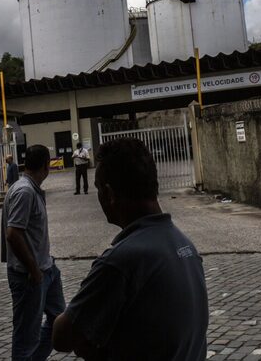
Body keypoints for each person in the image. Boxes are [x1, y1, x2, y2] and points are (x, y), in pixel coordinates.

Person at [52, 138, 209, 361]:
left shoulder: (120, 262)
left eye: (98, 189)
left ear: (109, 194)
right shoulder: (184, 245)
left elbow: (62, 337)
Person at [1, 144, 65, 361]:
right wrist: (34, 270)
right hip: (29, 275)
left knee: (58, 320)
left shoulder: (30, 188)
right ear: (47, 165)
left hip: (47, 269)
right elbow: (13, 234)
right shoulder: (24, 191)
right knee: (26, 337)